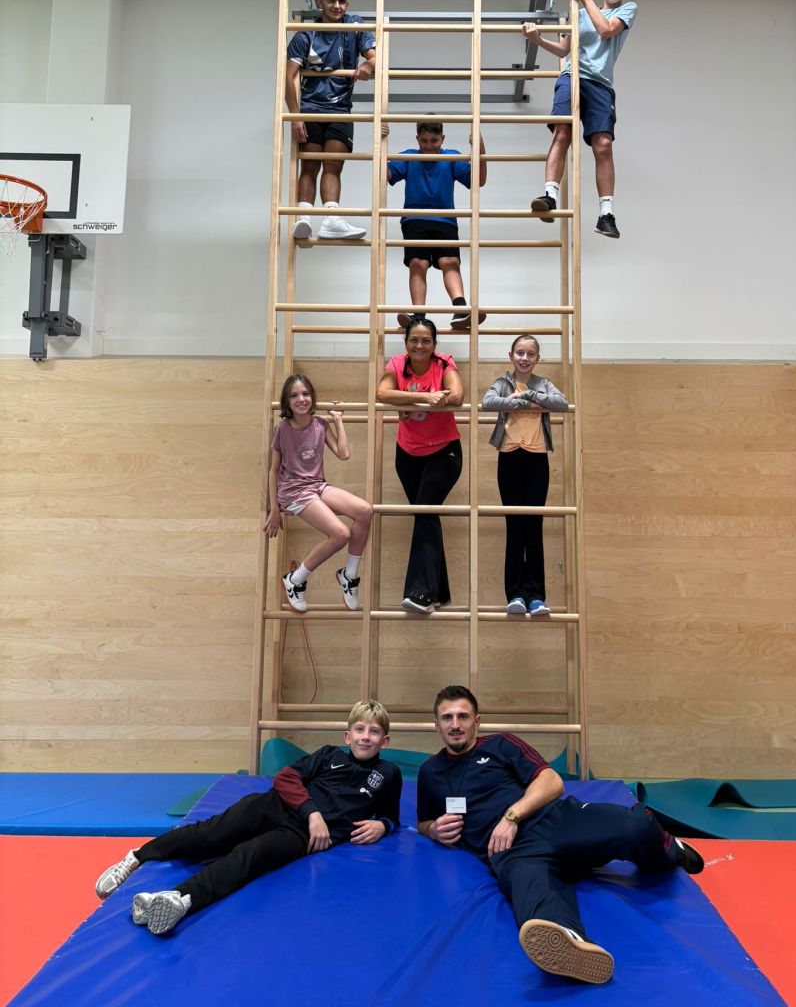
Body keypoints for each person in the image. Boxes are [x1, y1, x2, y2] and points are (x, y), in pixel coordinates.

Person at [417, 685, 704, 985]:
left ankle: (668, 850)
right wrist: (433, 830)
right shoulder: (430, 772)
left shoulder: (502, 745)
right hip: (513, 852)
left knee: (636, 825)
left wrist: (512, 816)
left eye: (463, 716)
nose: (455, 724)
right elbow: (424, 821)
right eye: (447, 718)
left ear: (476, 721)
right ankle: (572, 943)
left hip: (554, 820)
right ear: (436, 725)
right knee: (536, 904)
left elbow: (551, 781)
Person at [94, 700, 401, 936]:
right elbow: (285, 778)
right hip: (276, 805)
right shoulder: (329, 755)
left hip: (301, 837)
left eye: (374, 732)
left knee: (248, 857)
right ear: (348, 736)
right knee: (211, 835)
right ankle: (136, 857)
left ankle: (178, 899)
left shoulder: (389, 773)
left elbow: (392, 815)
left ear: (384, 741)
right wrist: (313, 813)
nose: (366, 737)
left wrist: (383, 825)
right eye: (360, 730)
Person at [524, 0, 637, 239]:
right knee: (562, 133)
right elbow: (564, 49)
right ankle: (549, 195)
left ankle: (606, 214)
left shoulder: (626, 10)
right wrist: (538, 39)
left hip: (600, 83)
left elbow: (606, 30)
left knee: (603, 144)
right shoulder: (579, 13)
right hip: (571, 76)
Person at [375, 318, 464, 613]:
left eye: (426, 340)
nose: (419, 345)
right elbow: (382, 393)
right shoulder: (398, 363)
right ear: (406, 344)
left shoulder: (444, 362)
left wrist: (407, 401)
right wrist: (423, 397)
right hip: (408, 454)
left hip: (444, 453)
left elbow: (457, 395)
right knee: (426, 516)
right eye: (414, 340)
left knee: (425, 511)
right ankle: (440, 592)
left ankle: (421, 593)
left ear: (434, 345)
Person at [264, 373, 373, 613]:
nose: (301, 399)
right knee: (340, 533)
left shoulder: (320, 424)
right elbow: (273, 470)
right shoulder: (283, 428)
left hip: (317, 486)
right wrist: (274, 509)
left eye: (305, 394)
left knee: (365, 510)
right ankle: (295, 580)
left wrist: (338, 420)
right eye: (294, 395)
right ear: (287, 401)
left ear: (312, 396)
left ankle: (349, 576)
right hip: (294, 492)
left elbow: (344, 454)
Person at [482, 334, 569, 615]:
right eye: (520, 353)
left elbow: (561, 403)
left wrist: (527, 395)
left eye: (530, 354)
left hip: (537, 459)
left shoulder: (543, 383)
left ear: (537, 359)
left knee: (533, 526)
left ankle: (536, 596)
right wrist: (527, 404)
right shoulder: (502, 382)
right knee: (514, 526)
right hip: (509, 457)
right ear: (511, 356)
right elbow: (489, 402)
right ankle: (515, 595)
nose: (524, 358)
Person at [285, 0, 374, 242]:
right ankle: (303, 219)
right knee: (310, 165)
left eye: (342, 1)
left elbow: (376, 57)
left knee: (333, 164)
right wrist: (296, 117)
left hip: (340, 110)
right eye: (331, 0)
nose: (337, 6)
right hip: (310, 110)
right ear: (319, 1)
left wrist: (367, 65)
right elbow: (288, 77)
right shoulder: (306, 35)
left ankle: (331, 220)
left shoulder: (354, 25)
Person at [383, 120, 487, 330]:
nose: (429, 146)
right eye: (424, 141)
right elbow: (384, 174)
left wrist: (480, 148)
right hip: (414, 219)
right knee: (417, 263)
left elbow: (479, 180)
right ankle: (418, 315)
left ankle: (460, 309)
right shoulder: (409, 156)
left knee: (450, 262)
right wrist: (380, 142)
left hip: (445, 219)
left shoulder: (451, 157)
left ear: (442, 139)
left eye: (434, 141)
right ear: (417, 139)